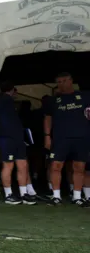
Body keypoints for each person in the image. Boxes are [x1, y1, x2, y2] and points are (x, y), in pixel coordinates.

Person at [0, 81, 37, 205]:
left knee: (22, 164)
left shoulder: (9, 102)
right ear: (12, 90)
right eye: (15, 90)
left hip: (17, 138)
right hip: (6, 138)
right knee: (9, 165)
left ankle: (24, 193)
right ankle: (9, 195)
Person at [44, 72, 90, 207]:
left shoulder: (85, 96)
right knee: (55, 166)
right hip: (60, 139)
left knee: (79, 167)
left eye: (64, 81)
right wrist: (47, 136)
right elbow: (47, 118)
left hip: (81, 138)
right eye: (58, 82)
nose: (61, 84)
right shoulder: (52, 101)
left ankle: (77, 196)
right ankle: (56, 196)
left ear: (71, 80)